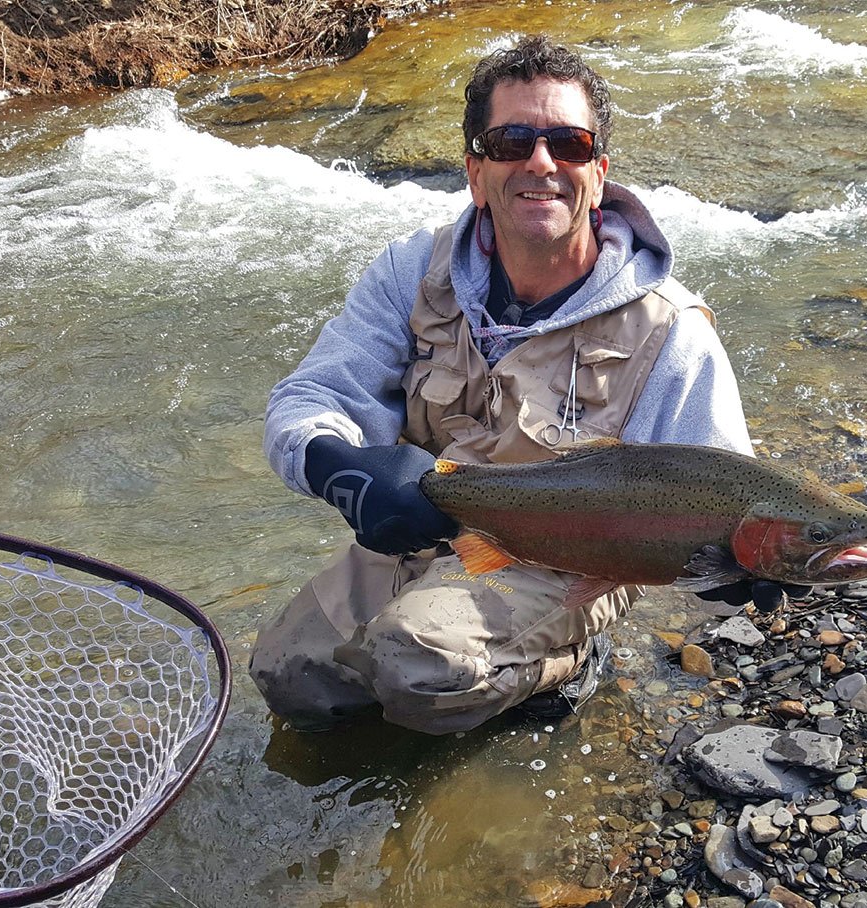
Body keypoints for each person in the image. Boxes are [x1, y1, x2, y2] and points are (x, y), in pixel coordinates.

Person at [249, 35, 758, 736]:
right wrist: (339, 467)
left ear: (599, 172)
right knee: (290, 675)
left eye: (569, 144)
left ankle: (562, 667)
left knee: (419, 663)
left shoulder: (672, 331)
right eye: (513, 141)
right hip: (436, 525)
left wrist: (739, 569)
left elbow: (726, 490)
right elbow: (309, 402)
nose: (541, 163)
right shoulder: (409, 274)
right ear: (474, 172)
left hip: (573, 561)